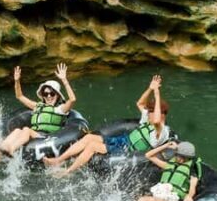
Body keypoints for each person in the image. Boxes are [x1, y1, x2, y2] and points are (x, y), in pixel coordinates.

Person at [42, 75, 171, 176]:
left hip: (129, 150)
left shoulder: (161, 130)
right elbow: (140, 103)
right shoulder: (147, 119)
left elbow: (157, 120)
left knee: (92, 146)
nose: (148, 113)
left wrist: (157, 93)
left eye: (152, 112)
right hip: (124, 140)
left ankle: (68, 172)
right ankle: (59, 160)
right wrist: (150, 88)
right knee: (89, 138)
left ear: (161, 114)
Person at [0, 63, 77, 166]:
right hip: (36, 134)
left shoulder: (60, 109)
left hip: (48, 137)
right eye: (45, 94)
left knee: (26, 130)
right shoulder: (37, 106)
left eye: (52, 93)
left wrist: (64, 80)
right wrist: (17, 81)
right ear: (42, 95)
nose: (49, 96)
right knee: (17, 130)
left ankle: (10, 150)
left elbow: (73, 99)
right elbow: (20, 96)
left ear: (57, 96)